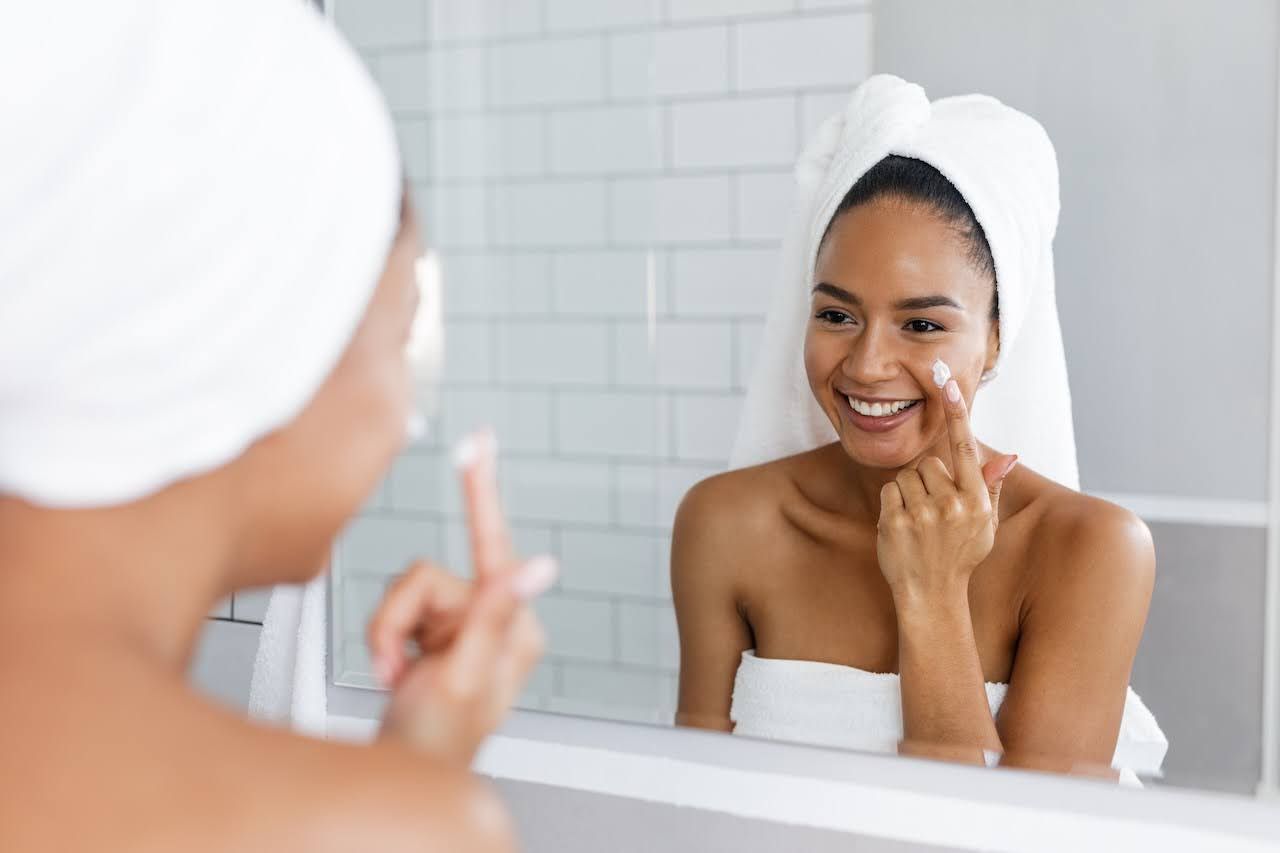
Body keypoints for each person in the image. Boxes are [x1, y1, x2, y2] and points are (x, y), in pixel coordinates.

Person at [0, 1, 550, 849]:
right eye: (401, 335)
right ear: (267, 341)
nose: (404, 415)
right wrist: (412, 790)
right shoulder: (382, 827)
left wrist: (413, 760)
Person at [671, 76, 1167, 783]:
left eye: (923, 324)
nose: (867, 365)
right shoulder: (727, 522)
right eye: (837, 315)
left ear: (996, 340)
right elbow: (692, 806)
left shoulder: (1088, 551)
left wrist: (932, 596)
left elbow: (1010, 841)